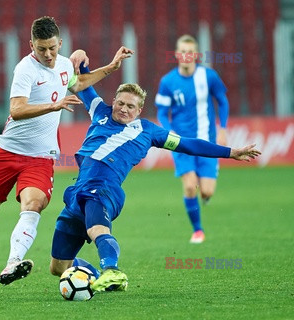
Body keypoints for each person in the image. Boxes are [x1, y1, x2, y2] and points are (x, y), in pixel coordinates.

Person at [0, 16, 134, 285]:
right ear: (31, 45)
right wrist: (51, 106)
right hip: (8, 152)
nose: (47, 54)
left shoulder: (63, 64)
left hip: (41, 156)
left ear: (59, 43)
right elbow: (16, 109)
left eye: (52, 48)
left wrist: (111, 68)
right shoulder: (25, 69)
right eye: (41, 49)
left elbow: (78, 84)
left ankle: (12, 263)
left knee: (33, 205)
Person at [49, 64, 260, 292]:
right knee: (59, 267)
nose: (123, 109)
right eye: (120, 103)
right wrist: (81, 64)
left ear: (139, 110)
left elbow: (188, 144)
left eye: (130, 106)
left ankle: (113, 270)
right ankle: (101, 277)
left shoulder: (148, 132)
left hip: (104, 188)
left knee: (97, 229)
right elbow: (77, 83)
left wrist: (230, 152)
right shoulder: (100, 110)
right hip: (78, 190)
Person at [155, 34, 230, 244]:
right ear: (177, 54)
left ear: (195, 55)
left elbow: (222, 101)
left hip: (207, 142)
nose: (187, 56)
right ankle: (198, 230)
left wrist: (223, 129)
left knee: (206, 191)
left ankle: (205, 196)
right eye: (183, 52)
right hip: (182, 144)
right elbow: (162, 112)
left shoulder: (209, 76)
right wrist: (170, 132)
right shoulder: (168, 81)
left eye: (190, 52)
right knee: (190, 186)